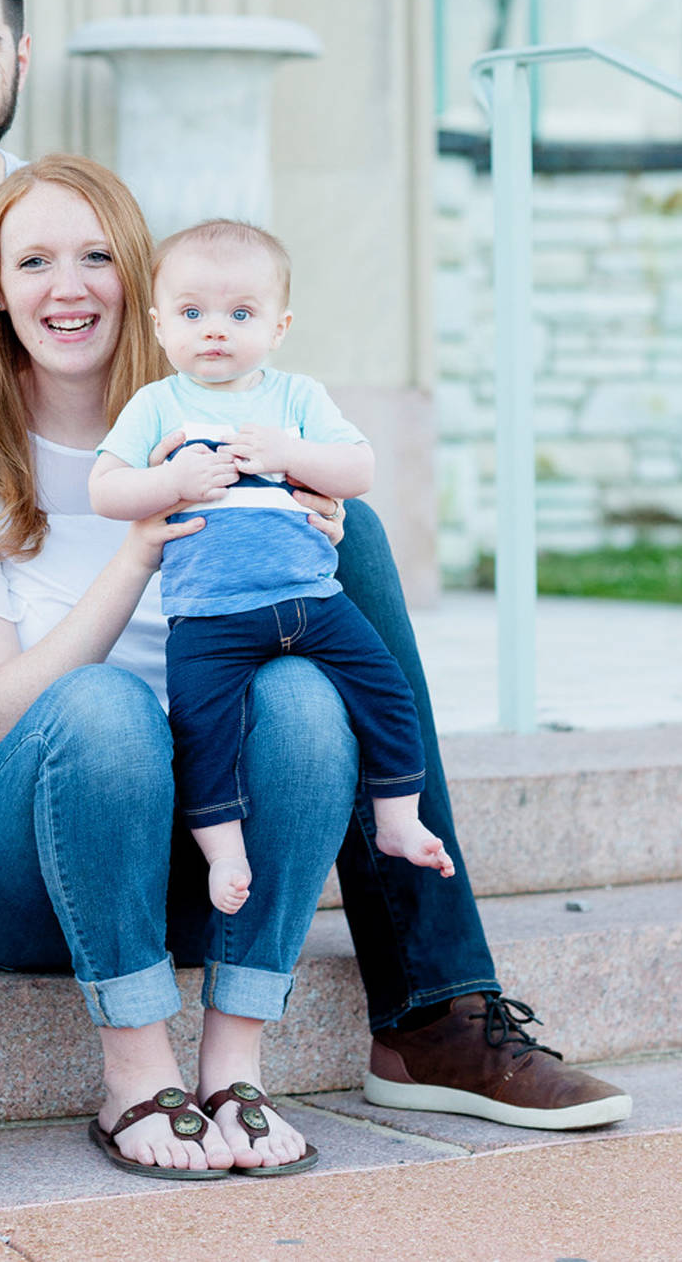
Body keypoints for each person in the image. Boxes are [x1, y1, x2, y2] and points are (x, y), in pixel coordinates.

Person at [0, 0, 632, 1199]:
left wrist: (273, 504)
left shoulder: (88, 238)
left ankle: (435, 1005)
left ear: (20, 56)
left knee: (327, 548)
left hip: (61, 670)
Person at [0, 153, 355, 1176]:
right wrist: (139, 542)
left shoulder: (225, 431)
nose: (67, 287)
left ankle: (233, 1066)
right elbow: (4, 710)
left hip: (203, 863)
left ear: (141, 287)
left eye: (97, 256)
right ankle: (134, 1074)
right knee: (101, 706)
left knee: (303, 697)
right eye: (34, 262)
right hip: (15, 866)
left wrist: (304, 530)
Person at [90, 220, 455, 915]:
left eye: (241, 313)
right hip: (210, 617)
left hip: (311, 599)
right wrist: (173, 482)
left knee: (388, 690)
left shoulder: (297, 399)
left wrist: (292, 454)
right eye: (193, 313)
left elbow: (359, 468)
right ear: (161, 324)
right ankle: (223, 851)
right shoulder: (157, 404)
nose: (215, 330)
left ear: (279, 326)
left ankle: (399, 817)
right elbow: (106, 490)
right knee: (204, 730)